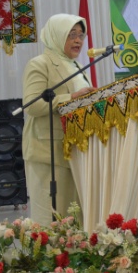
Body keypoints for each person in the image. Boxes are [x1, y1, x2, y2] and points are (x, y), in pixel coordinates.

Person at [22, 14, 94, 223]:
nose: (78, 40)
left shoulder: (76, 66)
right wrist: (71, 97)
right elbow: (32, 104)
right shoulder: (39, 64)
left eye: (81, 35)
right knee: (50, 219)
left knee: (73, 217)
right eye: (72, 35)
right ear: (57, 35)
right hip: (48, 153)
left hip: (75, 150)